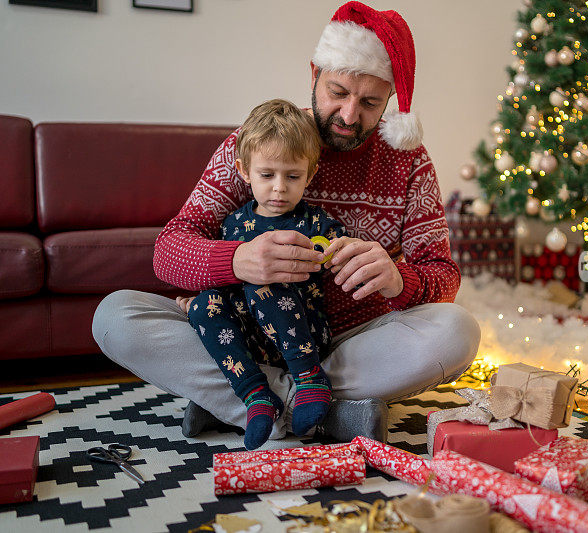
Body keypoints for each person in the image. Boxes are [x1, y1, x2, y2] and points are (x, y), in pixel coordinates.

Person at [92, 1, 481, 443]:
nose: (350, 115)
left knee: (458, 330)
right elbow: (169, 250)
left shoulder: (408, 162)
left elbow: (443, 277)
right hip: (249, 327)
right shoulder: (258, 145)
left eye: (370, 102)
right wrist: (239, 260)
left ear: (391, 99)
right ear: (313, 73)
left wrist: (398, 280)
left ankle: (250, 401)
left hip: (352, 340)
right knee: (114, 317)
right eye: (337, 92)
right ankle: (320, 410)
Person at [183, 99, 348, 450]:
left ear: (310, 174)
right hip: (251, 341)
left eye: (292, 176)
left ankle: (309, 379)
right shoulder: (233, 224)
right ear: (244, 171)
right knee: (203, 305)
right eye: (267, 175)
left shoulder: (317, 223)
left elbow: (342, 258)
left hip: (303, 333)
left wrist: (338, 256)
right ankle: (256, 396)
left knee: (264, 282)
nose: (279, 188)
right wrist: (195, 302)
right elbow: (222, 280)